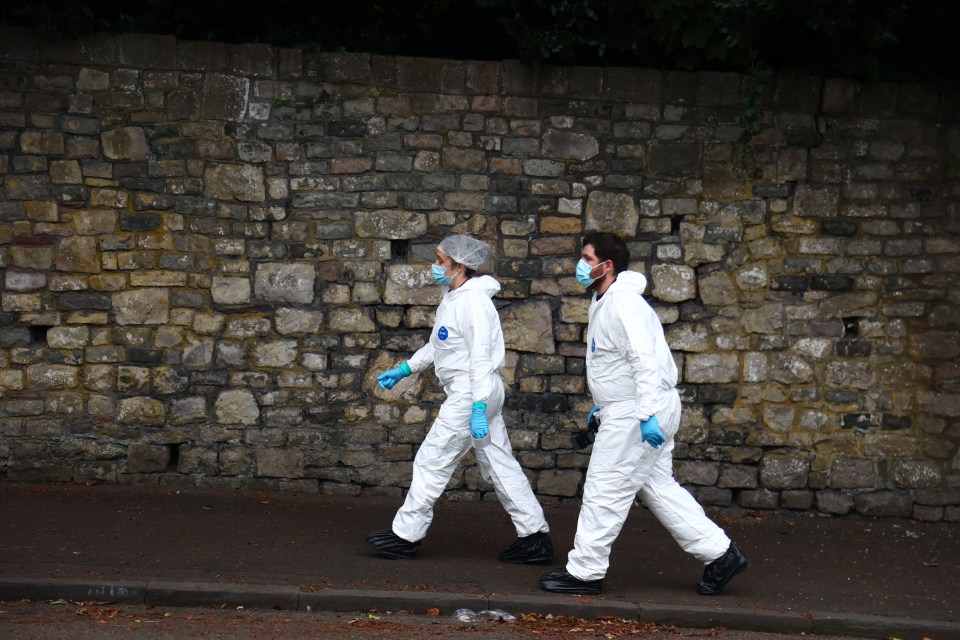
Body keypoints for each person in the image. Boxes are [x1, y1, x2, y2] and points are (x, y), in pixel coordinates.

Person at [540, 231, 748, 596]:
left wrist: (645, 413)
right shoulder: (606, 299)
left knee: (604, 489)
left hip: (638, 411)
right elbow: (615, 363)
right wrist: (603, 407)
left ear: (608, 266)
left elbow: (643, 361)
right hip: (633, 408)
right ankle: (721, 554)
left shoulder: (623, 304)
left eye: (587, 259)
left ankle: (585, 572)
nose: (580, 265)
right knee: (658, 488)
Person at [367, 234, 553, 565]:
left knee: (431, 460)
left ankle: (406, 537)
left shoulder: (473, 304)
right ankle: (535, 537)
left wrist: (478, 406)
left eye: (440, 261)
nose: (435, 266)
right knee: (498, 463)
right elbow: (441, 345)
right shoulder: (454, 298)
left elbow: (481, 358)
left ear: (460, 265)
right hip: (475, 392)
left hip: (472, 392)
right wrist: (406, 368)